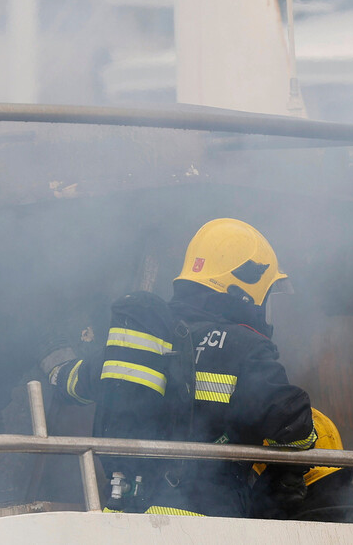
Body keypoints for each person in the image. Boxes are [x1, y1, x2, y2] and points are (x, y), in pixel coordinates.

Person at [45, 218, 317, 517]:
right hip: (207, 522)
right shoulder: (246, 348)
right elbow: (292, 422)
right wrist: (288, 469)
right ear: (243, 287)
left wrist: (56, 363)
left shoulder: (144, 336)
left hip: (123, 516)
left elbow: (77, 381)